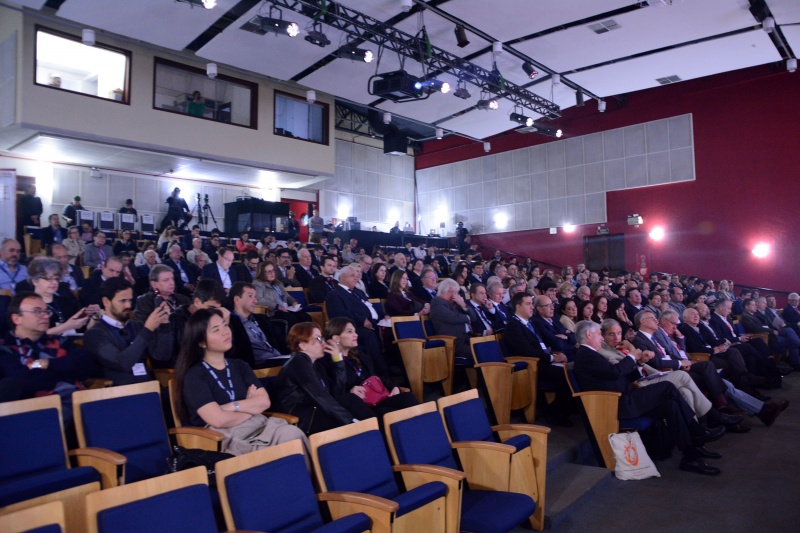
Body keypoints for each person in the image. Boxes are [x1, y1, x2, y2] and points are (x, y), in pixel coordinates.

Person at [572, 320, 724, 475]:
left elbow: (620, 375)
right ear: (589, 334)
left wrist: (638, 363)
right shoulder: (586, 355)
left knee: (670, 405)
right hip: (617, 403)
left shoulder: (591, 354)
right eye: (599, 334)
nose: (602, 338)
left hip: (626, 397)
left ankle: (691, 454)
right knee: (667, 387)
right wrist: (631, 356)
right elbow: (614, 373)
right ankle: (697, 431)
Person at [173, 308, 309, 456]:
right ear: (201, 342)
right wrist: (249, 407)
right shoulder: (194, 375)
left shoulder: (240, 366)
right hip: (225, 437)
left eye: (225, 325)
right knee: (278, 449)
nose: (225, 331)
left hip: (260, 426)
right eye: (216, 329)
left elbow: (264, 403)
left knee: (292, 434)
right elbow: (218, 420)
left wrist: (231, 406)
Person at [598, 319, 741, 428]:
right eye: (611, 334)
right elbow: (624, 373)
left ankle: (695, 429)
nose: (617, 337)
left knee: (686, 391)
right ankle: (713, 415)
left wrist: (640, 361)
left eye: (618, 333)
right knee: (684, 376)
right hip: (637, 386)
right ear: (602, 336)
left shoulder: (622, 346)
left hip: (651, 375)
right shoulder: (607, 352)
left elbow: (641, 365)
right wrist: (633, 353)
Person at [0, 292, 96, 421]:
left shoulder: (60, 341)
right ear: (17, 318)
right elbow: (22, 382)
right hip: (38, 409)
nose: (45, 316)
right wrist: (66, 370)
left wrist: (46, 364)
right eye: (37, 311)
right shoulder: (5, 349)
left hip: (78, 398)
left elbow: (87, 366)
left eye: (46, 311)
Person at [275, 322, 366, 434]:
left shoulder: (316, 365)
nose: (323, 343)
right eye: (318, 338)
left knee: (351, 400)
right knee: (351, 402)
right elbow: (320, 395)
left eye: (321, 338)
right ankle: (377, 434)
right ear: (302, 345)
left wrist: (338, 360)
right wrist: (350, 421)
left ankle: (376, 432)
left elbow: (337, 393)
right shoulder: (298, 362)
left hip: (317, 410)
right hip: (304, 419)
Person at [320, 318, 417, 421]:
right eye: (350, 331)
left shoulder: (360, 355)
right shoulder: (327, 363)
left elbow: (377, 376)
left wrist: (394, 387)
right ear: (336, 338)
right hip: (358, 408)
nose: (356, 335)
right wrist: (350, 391)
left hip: (378, 399)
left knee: (408, 398)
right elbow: (334, 393)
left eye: (355, 331)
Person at [83, 277, 172, 385]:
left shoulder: (137, 326)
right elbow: (122, 363)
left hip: (149, 388)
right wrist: (148, 330)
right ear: (106, 302)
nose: (128, 305)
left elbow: (161, 356)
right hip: (119, 394)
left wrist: (165, 326)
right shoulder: (95, 334)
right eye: (123, 301)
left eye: (130, 300)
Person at [504, 292, 573, 426]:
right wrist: (552, 357)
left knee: (572, 371)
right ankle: (554, 413)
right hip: (532, 365)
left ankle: (557, 410)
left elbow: (546, 343)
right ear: (518, 307)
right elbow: (527, 351)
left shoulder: (531, 323)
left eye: (532, 303)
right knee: (567, 376)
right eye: (528, 304)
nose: (532, 307)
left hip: (543, 360)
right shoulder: (513, 326)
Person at [26, 257, 98, 337]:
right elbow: (32, 335)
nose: (54, 282)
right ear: (35, 281)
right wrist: (68, 326)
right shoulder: (28, 306)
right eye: (48, 279)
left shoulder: (66, 302)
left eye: (56, 279)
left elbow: (85, 330)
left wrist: (94, 316)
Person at [227, 282, 287, 368]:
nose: (255, 300)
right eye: (250, 296)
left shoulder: (261, 319)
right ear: (236, 300)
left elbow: (277, 342)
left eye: (255, 297)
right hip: (257, 366)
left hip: (277, 358)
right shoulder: (231, 323)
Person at [252, 261, 311, 327]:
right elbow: (259, 300)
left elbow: (286, 296)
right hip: (273, 312)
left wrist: (293, 302)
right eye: (269, 271)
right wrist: (277, 306)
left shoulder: (278, 283)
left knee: (305, 317)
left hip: (285, 308)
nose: (272, 273)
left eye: (273, 270)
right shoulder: (258, 283)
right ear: (262, 273)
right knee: (291, 318)